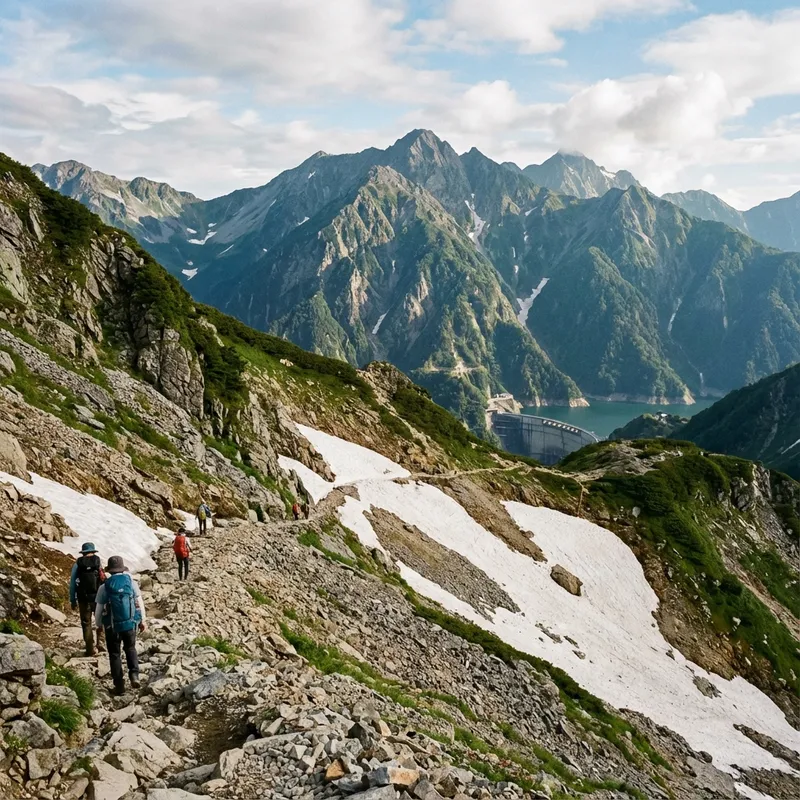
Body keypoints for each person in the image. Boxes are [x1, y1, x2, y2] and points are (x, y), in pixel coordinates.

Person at [94, 556, 146, 695]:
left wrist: (98, 624)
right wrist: (143, 620)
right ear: (122, 569)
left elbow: (99, 609)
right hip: (130, 624)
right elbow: (139, 603)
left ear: (110, 570)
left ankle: (119, 686)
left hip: (112, 627)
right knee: (130, 648)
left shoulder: (104, 586)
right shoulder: (131, 582)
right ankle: (134, 675)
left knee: (115, 654)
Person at [69, 542, 105, 656]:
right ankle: (101, 644)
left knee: (86, 622)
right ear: (93, 551)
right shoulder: (98, 562)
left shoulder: (77, 564)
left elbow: (72, 584)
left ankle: (90, 648)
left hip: (83, 597)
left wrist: (73, 600)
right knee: (101, 619)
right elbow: (103, 578)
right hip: (97, 596)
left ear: (83, 552)